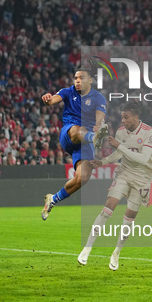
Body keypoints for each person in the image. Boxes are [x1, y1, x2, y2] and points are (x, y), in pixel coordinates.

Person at [78, 102, 152, 270]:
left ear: (136, 117)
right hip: (124, 173)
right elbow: (119, 153)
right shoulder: (121, 132)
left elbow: (143, 159)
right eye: (122, 117)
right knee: (108, 208)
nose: (123, 120)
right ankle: (87, 248)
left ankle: (116, 252)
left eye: (126, 117)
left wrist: (119, 146)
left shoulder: (150, 133)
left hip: (142, 179)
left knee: (128, 219)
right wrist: (102, 162)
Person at [40, 67, 108, 220]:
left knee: (82, 177)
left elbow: (100, 115)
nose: (77, 81)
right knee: (79, 130)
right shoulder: (67, 92)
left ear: (90, 80)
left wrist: (97, 125)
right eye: (76, 78)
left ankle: (53, 199)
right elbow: (51, 101)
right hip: (69, 133)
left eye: (81, 78)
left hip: (85, 142)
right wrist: (47, 99)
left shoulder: (98, 98)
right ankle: (93, 137)